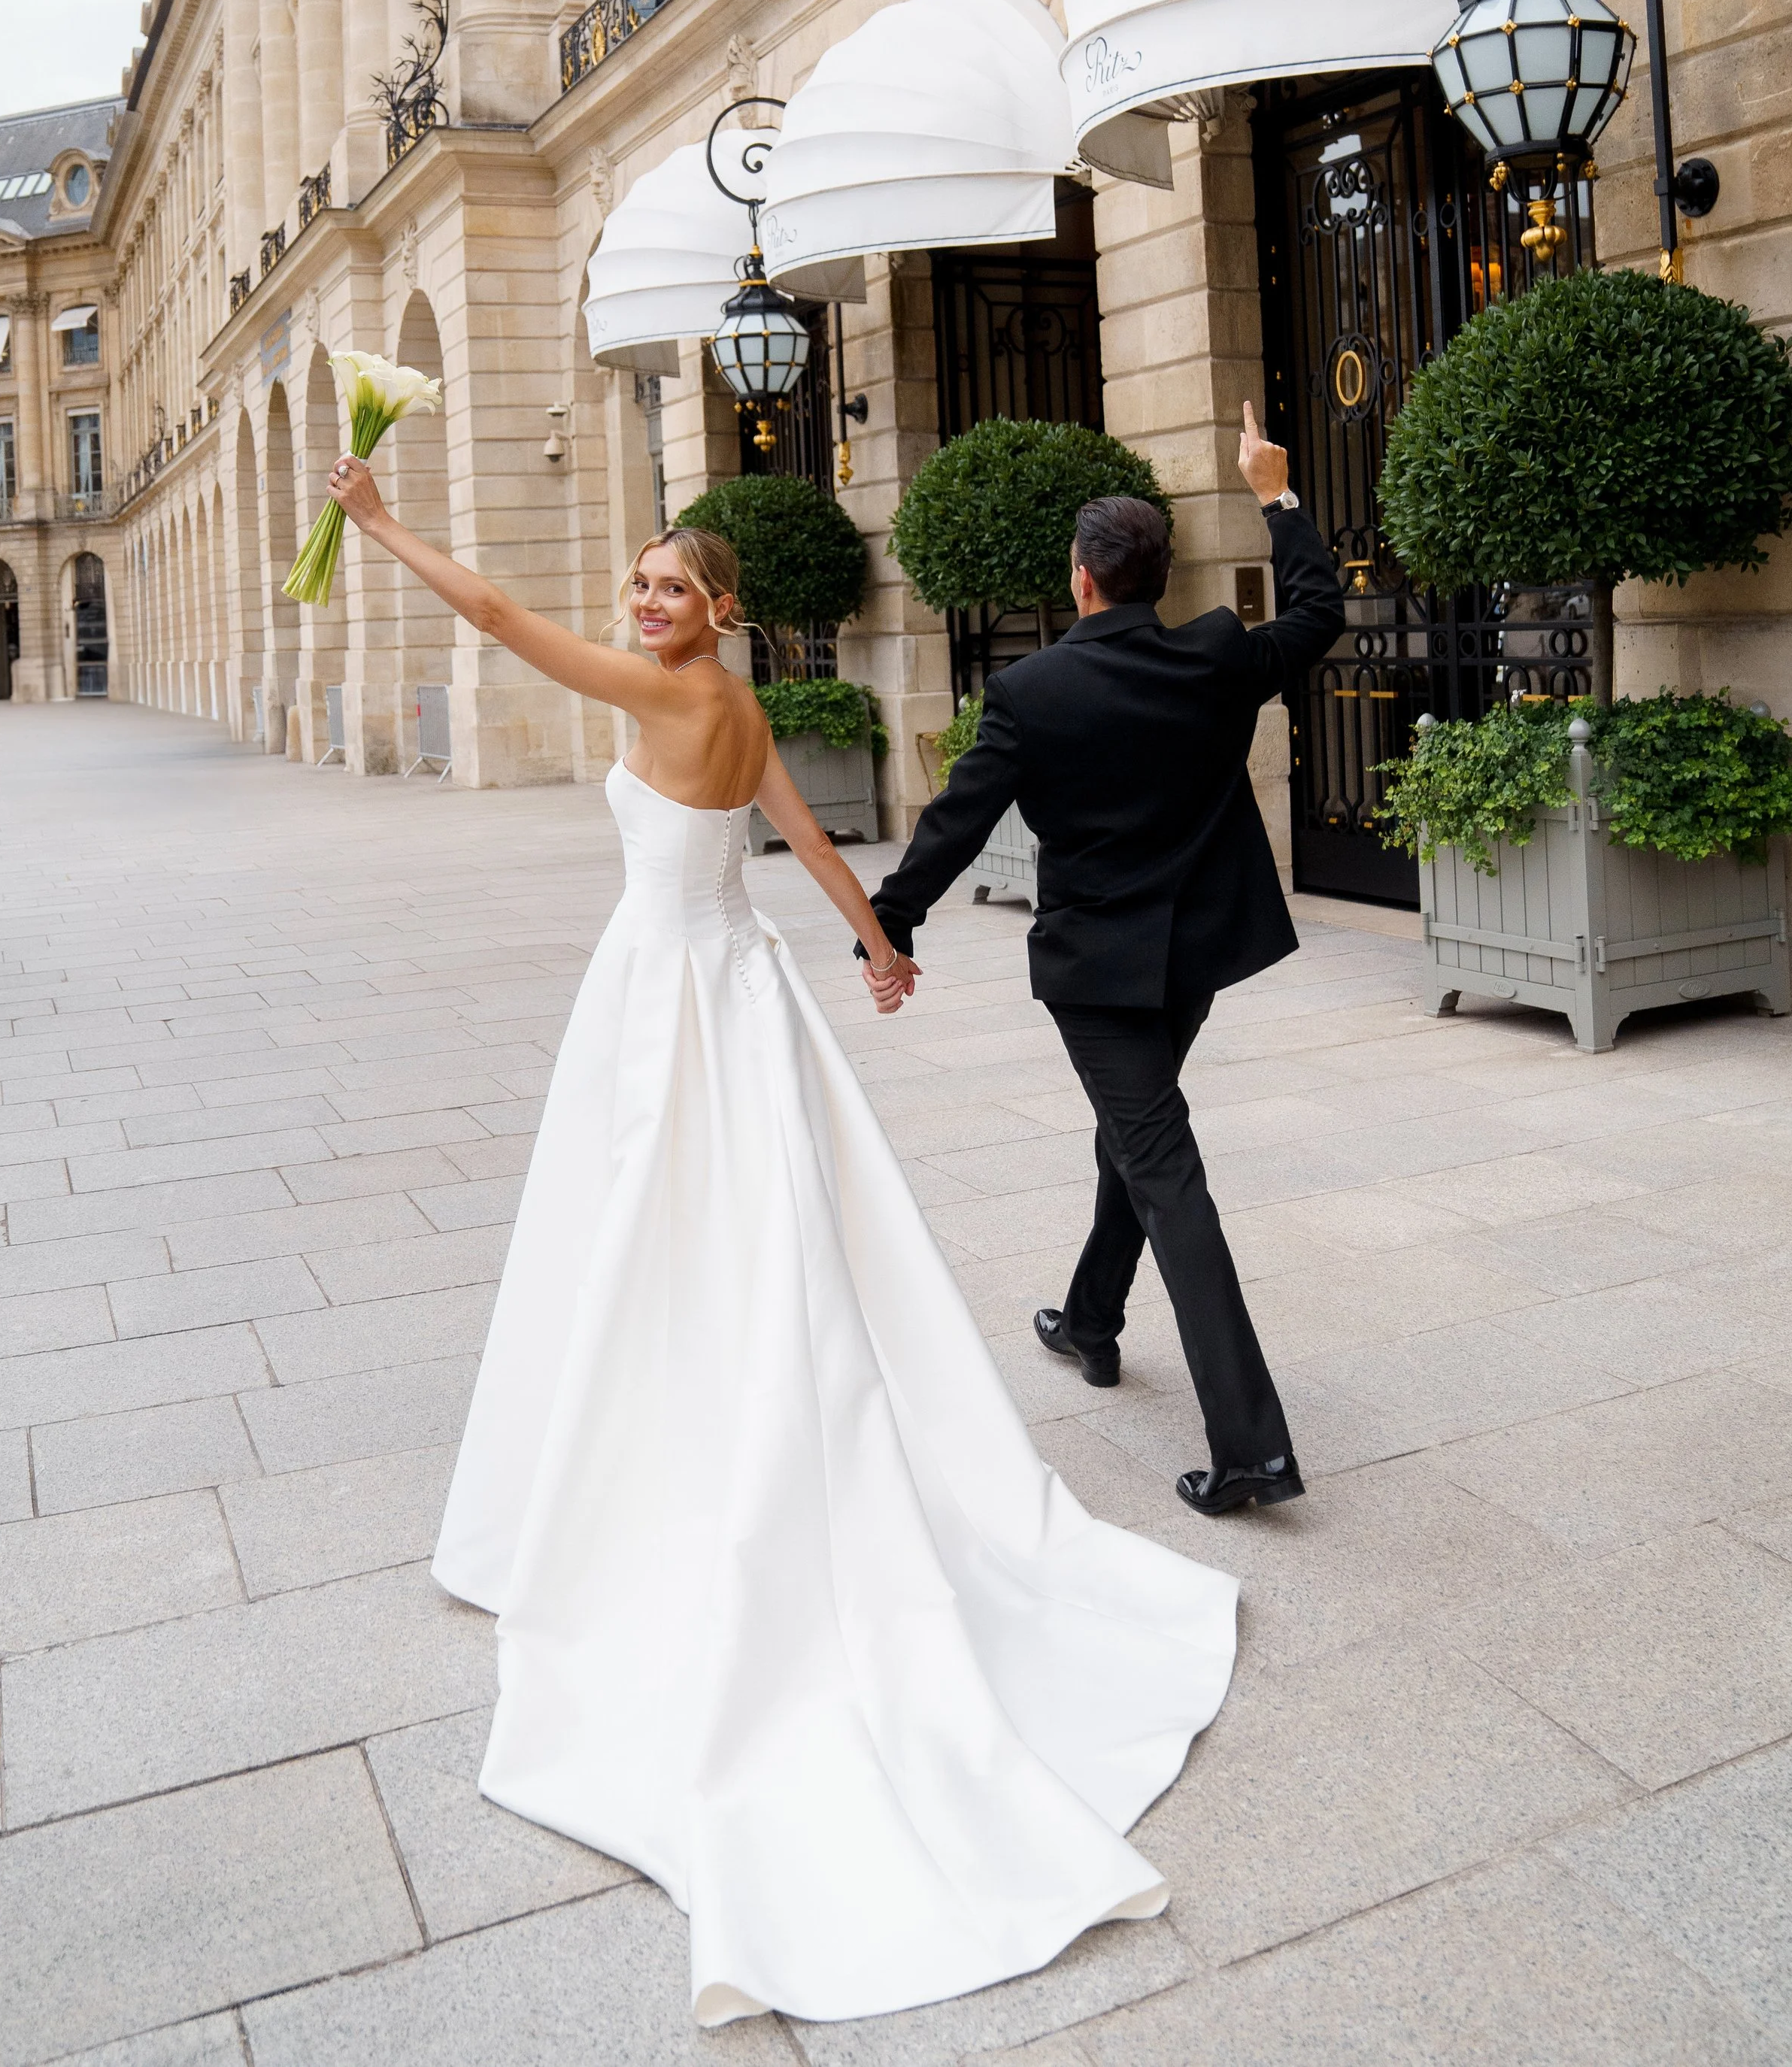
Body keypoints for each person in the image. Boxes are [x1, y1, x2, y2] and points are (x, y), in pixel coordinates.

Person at [320, 452, 1239, 2030]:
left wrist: (378, 517)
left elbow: (488, 610)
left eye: (669, 587)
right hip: (725, 987)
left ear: (718, 611)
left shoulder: (660, 693)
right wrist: (877, 942)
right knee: (733, 1228)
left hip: (674, 994)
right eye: (638, 585)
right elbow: (808, 844)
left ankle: (681, 1459)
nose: (641, 603)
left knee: (672, 1226)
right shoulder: (734, 708)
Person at [863, 404, 1346, 1517]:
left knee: (1162, 1166)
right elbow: (1319, 609)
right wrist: (1273, 491)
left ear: (1082, 581)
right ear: (1152, 579)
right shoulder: (1217, 657)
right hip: (1192, 959)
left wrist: (893, 923)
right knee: (1135, 1138)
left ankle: (1253, 1453)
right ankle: (1090, 1322)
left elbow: (955, 821)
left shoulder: (1031, 694)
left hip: (1098, 974)